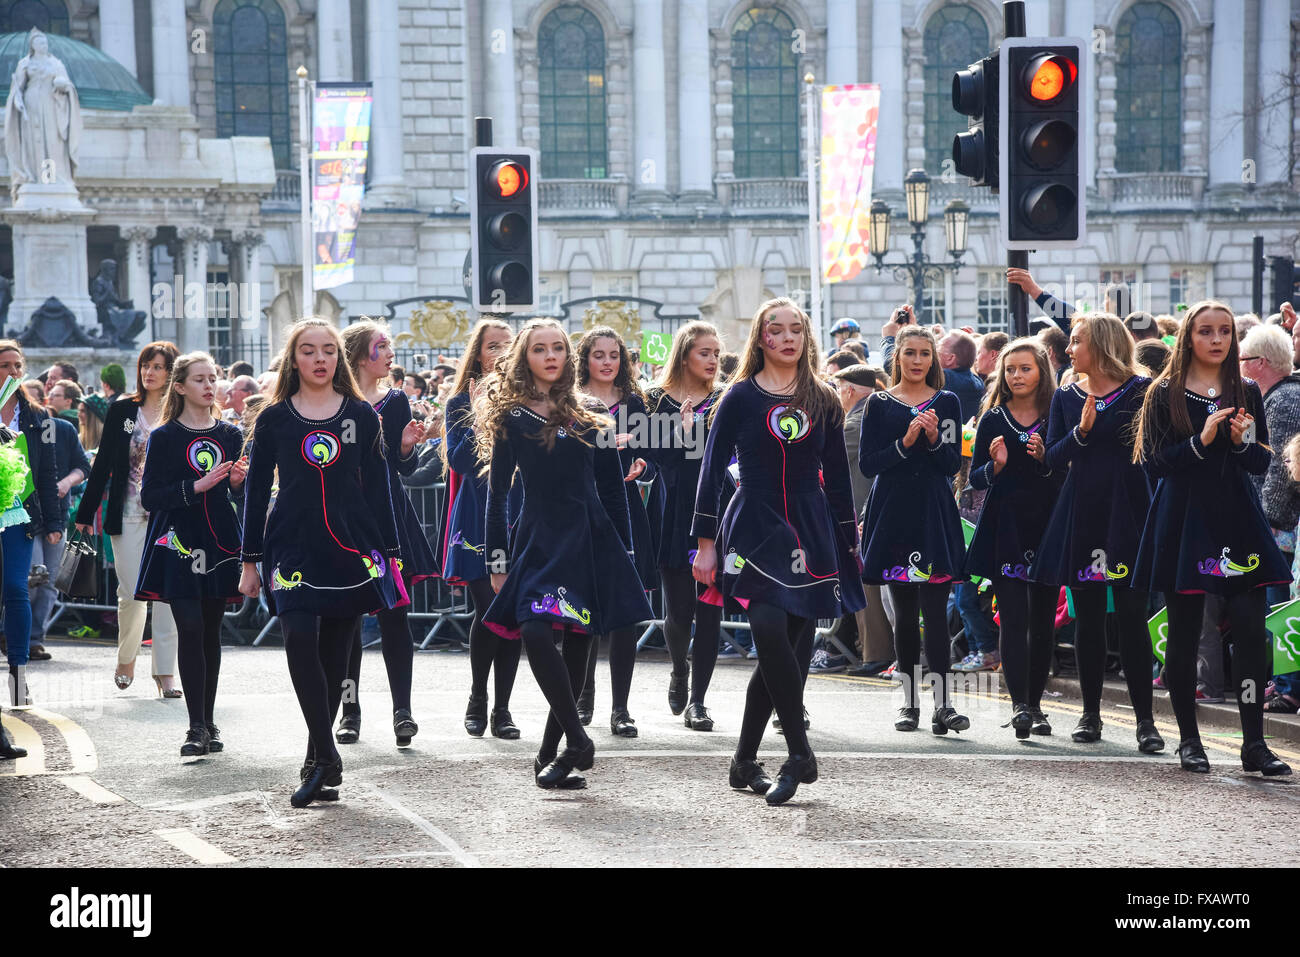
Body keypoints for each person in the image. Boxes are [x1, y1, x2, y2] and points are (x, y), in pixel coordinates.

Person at [693, 298, 865, 805]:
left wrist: (847, 539)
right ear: (761, 338)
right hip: (753, 526)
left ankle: (745, 761)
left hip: (811, 530)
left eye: (796, 329)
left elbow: (837, 478)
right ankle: (800, 751)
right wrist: (705, 544)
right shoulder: (740, 396)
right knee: (768, 630)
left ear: (805, 338)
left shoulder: (824, 398)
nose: (787, 337)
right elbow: (711, 469)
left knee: (786, 654)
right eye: (776, 329)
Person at [477, 318, 652, 788]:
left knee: (579, 649)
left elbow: (614, 492)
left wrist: (625, 555)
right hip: (537, 538)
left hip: (592, 539)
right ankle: (577, 738)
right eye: (540, 349)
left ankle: (550, 757)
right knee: (534, 630)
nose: (551, 355)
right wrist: (497, 560)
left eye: (558, 347)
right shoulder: (511, 416)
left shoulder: (592, 411)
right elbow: (496, 497)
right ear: (525, 357)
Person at [238, 318, 403, 808]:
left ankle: (318, 760)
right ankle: (328, 755)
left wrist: (390, 556)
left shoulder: (361, 414)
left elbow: (378, 488)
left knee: (335, 660)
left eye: (328, 350)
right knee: (300, 639)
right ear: (294, 360)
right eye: (308, 351)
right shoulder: (273, 419)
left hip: (352, 548)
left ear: (338, 358)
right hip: (290, 544)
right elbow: (253, 492)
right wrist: (249, 560)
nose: (319, 359)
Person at [1132, 301, 1291, 776]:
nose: (1217, 339)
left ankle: (1254, 744)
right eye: (1206, 331)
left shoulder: (1246, 391)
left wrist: (1243, 442)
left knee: (1247, 632)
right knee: (1183, 635)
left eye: (1224, 331)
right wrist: (1200, 441)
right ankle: (1188, 739)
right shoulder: (1164, 393)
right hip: (1185, 520)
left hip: (1238, 520)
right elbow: (1154, 464)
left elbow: (1261, 464)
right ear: (1189, 337)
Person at [1030, 314, 1161, 752]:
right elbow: (1051, 457)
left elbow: (1154, 452)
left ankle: (1147, 722)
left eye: (1078, 341)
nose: (1069, 349)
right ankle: (1090, 715)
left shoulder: (1143, 392)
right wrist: (1082, 431)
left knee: (1130, 617)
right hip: (1082, 510)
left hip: (1128, 509)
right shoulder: (1067, 396)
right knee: (1087, 619)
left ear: (1101, 345)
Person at [858, 324, 969, 734]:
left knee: (936, 614)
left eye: (925, 354)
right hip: (893, 513)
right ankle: (908, 705)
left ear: (933, 359)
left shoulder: (949, 401)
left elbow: (950, 464)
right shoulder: (879, 404)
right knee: (904, 616)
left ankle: (944, 705)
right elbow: (869, 464)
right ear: (897, 358)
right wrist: (906, 441)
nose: (918, 361)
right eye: (910, 354)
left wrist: (935, 440)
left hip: (933, 511)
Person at [135, 353, 246, 757]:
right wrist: (194, 487)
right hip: (178, 542)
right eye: (199, 379)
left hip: (219, 541)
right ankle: (195, 725)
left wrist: (235, 484)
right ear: (179, 387)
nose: (208, 385)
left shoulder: (231, 434)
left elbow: (241, 495)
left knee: (211, 633)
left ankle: (209, 720)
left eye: (212, 378)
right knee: (192, 627)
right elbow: (150, 495)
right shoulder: (164, 437)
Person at [335, 320, 436, 748]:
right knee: (346, 621)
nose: (390, 353)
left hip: (388, 515)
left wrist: (409, 447)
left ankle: (403, 711)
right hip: (342, 516)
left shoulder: (396, 402)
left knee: (395, 617)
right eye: (382, 346)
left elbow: (402, 467)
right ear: (360, 356)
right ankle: (350, 709)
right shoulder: (333, 402)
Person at [965, 339, 1063, 737]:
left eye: (1025, 368)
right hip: (1006, 524)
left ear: (1041, 371)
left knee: (1042, 621)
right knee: (1014, 619)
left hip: (1048, 525)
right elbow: (974, 479)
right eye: (1010, 369)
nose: (1017, 376)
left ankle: (1037, 706)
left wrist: (1046, 460)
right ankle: (1020, 705)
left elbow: (1068, 474)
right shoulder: (993, 418)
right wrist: (997, 466)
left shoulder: (1058, 414)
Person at [75, 342, 182, 697]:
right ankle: (126, 658)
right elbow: (103, 463)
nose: (149, 372)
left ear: (171, 373)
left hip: (170, 516)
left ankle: (165, 673)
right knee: (133, 593)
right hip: (129, 513)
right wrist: (85, 512)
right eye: (145, 366)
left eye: (158, 367)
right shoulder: (122, 409)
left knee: (169, 595)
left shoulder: (181, 411)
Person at [441, 319, 521, 738]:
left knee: (514, 612)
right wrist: (476, 416)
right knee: (488, 609)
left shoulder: (527, 400)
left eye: (509, 345)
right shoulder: (459, 402)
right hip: (477, 514)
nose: (502, 353)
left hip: (520, 512)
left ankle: (503, 709)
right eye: (494, 346)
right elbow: (460, 462)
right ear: (478, 353)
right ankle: (478, 696)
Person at [644, 321, 724, 728]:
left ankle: (699, 700)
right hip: (673, 506)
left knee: (710, 609)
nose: (712, 360)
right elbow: (656, 460)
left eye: (715, 353)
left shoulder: (726, 398)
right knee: (679, 609)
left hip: (716, 506)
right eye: (704, 353)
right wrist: (684, 433)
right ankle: (679, 668)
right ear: (684, 355)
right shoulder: (654, 400)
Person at [575, 326, 654, 736]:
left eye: (614, 355)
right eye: (598, 354)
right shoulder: (570, 402)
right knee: (587, 609)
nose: (607, 362)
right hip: (584, 514)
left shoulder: (635, 403)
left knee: (625, 614)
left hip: (626, 511)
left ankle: (620, 708)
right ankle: (583, 695)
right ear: (585, 359)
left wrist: (642, 464)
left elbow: (651, 452)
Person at [0, 342, 60, 706]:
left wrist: (53, 520)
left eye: (16, 365)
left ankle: (19, 673)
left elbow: (48, 471)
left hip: (18, 512)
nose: (11, 372)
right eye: (3, 365)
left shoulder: (38, 416)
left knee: (17, 589)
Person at [831, 364, 892, 676]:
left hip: (861, 512)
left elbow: (828, 458)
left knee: (867, 584)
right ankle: (865, 650)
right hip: (869, 510)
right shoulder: (872, 414)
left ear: (849, 390)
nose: (837, 394)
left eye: (838, 387)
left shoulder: (855, 422)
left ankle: (876, 653)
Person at [29, 386, 91, 661]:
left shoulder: (64, 429)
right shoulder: (19, 430)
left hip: (58, 513)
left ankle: (34, 639)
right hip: (26, 516)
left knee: (50, 580)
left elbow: (83, 466)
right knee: (32, 576)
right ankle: (12, 630)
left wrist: (66, 483)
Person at [938, 331, 985, 425]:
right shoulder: (977, 381)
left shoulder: (946, 378)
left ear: (950, 358)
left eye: (939, 346)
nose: (934, 350)